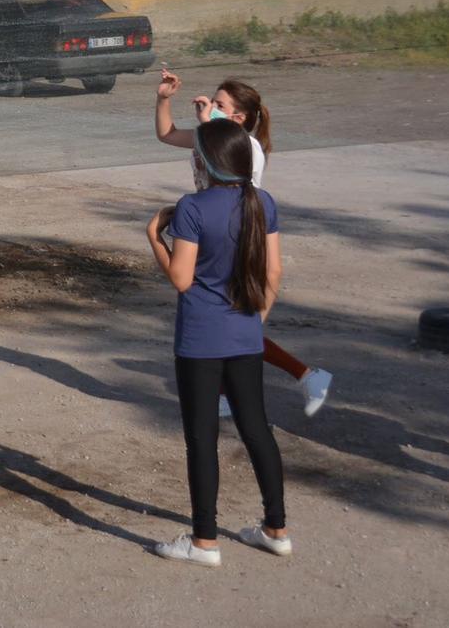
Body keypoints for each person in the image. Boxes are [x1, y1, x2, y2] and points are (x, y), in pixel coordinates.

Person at [146, 119, 292, 567]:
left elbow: (181, 278)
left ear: (205, 161)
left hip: (200, 339)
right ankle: (276, 529)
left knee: (202, 437)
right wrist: (254, 321)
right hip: (245, 334)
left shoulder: (191, 208)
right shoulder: (263, 202)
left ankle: (205, 540)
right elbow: (273, 272)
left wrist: (154, 237)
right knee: (257, 429)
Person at [155, 69, 333, 418]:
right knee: (226, 320)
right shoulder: (210, 138)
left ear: (238, 118)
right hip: (210, 228)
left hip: (235, 235)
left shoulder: (245, 147)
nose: (209, 106)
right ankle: (294, 378)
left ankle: (302, 375)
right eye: (212, 101)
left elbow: (238, 193)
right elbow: (167, 134)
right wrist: (163, 99)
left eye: (219, 105)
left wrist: (207, 123)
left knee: (227, 321)